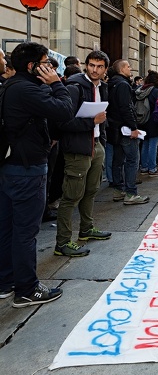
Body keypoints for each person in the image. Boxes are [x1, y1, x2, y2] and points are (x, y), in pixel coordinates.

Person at [0, 41, 74, 307]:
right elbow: (64, 111)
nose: (48, 67)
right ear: (32, 66)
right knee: (25, 231)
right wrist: (56, 83)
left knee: (8, 227)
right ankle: (27, 289)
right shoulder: (27, 89)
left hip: (11, 166)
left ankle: (6, 281)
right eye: (44, 63)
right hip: (27, 169)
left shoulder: (10, 85)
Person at [54, 50, 111, 257]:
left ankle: (86, 229)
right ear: (86, 65)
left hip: (95, 144)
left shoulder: (102, 87)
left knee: (91, 190)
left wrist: (100, 139)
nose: (95, 70)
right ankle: (62, 243)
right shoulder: (75, 87)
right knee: (71, 196)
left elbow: (102, 117)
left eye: (99, 66)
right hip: (77, 148)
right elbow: (62, 121)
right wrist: (91, 123)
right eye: (92, 65)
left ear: (105, 69)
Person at [107, 59, 150, 204]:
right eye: (128, 67)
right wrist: (133, 128)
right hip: (125, 129)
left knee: (117, 160)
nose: (130, 69)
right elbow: (126, 108)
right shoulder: (123, 84)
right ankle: (131, 193)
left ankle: (118, 190)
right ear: (122, 69)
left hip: (114, 128)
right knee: (132, 160)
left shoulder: (110, 83)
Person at [137, 70, 158, 176]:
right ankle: (152, 168)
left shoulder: (141, 90)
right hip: (153, 120)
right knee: (153, 145)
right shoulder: (156, 91)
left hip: (142, 119)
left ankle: (144, 167)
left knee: (145, 144)